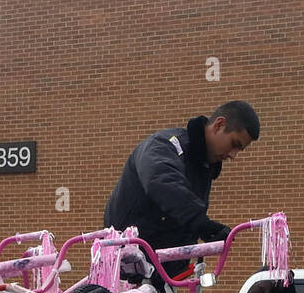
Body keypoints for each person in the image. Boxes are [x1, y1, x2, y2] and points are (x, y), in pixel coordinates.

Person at [104, 101, 259, 257]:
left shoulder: (202, 166)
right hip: (130, 259)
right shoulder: (165, 146)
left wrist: (201, 230)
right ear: (219, 125)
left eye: (240, 149)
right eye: (234, 144)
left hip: (166, 267)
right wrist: (201, 223)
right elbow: (162, 183)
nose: (233, 155)